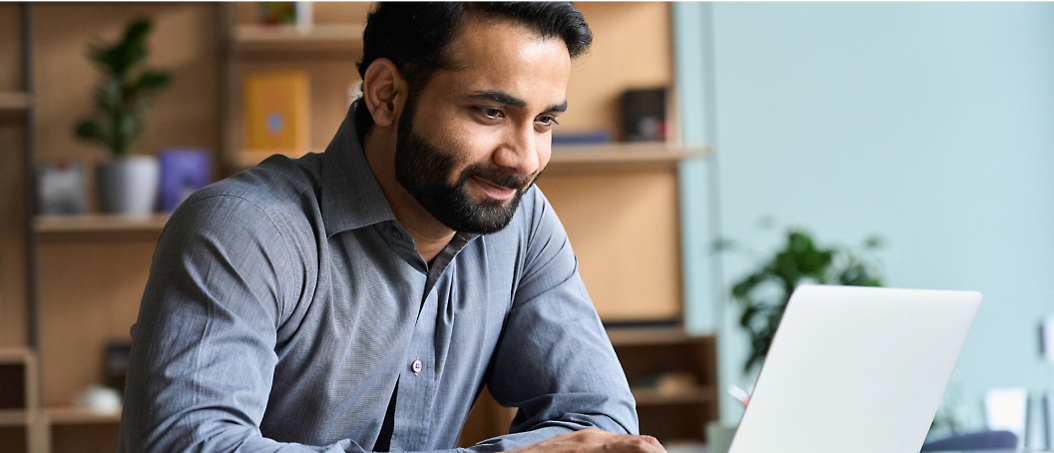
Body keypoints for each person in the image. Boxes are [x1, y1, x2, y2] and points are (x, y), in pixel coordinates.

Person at [118, 3, 666, 452]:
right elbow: (188, 446)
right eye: (490, 112)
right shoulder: (246, 229)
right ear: (386, 95)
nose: (525, 158)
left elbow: (602, 422)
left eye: (545, 120)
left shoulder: (522, 221)